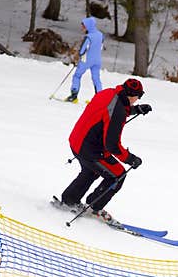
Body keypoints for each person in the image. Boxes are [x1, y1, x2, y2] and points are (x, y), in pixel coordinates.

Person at [59, 78, 153, 221]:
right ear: (133, 96)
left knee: (91, 170)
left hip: (77, 141)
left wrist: (135, 110)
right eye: (139, 96)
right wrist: (131, 159)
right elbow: (112, 145)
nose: (137, 99)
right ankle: (94, 208)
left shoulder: (108, 93)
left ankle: (69, 200)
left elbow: (110, 110)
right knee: (117, 175)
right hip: (91, 150)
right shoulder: (118, 111)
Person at [65, 17, 104, 103]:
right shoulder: (101, 35)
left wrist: (79, 57)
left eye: (84, 26)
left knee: (77, 76)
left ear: (88, 26)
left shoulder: (89, 37)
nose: (82, 28)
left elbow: (82, 50)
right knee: (96, 79)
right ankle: (100, 99)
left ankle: (73, 96)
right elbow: (100, 46)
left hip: (87, 60)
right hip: (97, 60)